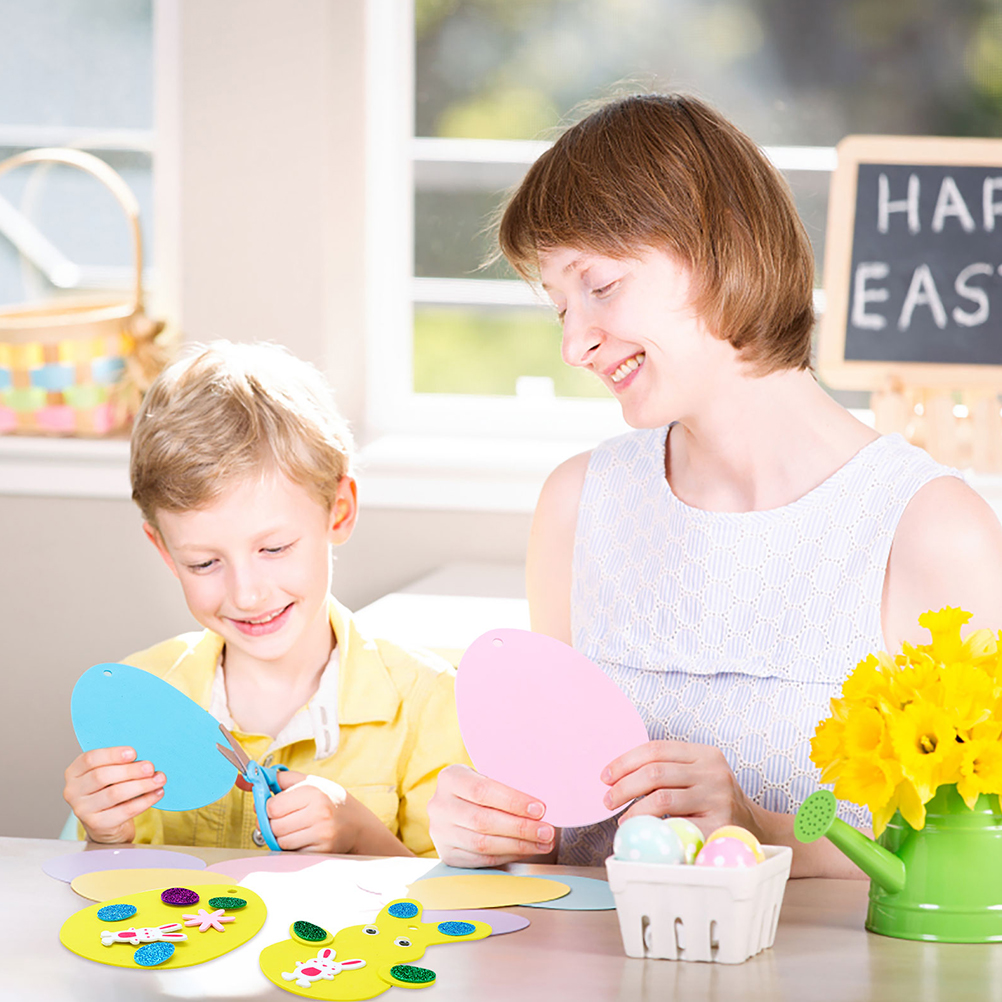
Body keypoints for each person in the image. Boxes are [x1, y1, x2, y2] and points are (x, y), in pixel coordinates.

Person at [427, 93, 1002, 876]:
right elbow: (564, 831)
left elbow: (973, 864)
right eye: (560, 308)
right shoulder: (577, 506)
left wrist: (759, 827)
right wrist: (493, 829)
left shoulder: (932, 532)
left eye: (600, 286)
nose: (574, 344)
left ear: (719, 246)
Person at [63, 341, 469, 856]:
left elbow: (454, 899)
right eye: (204, 563)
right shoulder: (140, 696)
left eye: (273, 549)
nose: (247, 593)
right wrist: (105, 834)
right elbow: (111, 886)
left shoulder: (430, 705)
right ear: (164, 549)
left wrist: (360, 836)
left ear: (339, 511)